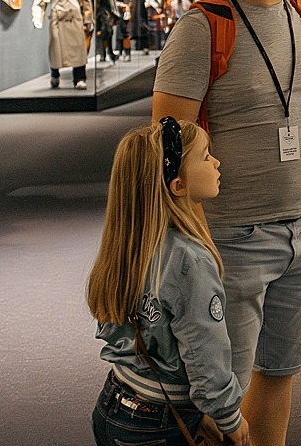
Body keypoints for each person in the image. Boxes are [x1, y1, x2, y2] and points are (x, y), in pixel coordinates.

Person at [152, 0, 301, 446]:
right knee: (216, 394)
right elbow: (167, 150)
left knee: (281, 372)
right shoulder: (202, 28)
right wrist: (192, 240)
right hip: (230, 237)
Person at [87, 118, 250, 446]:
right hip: (159, 425)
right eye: (206, 156)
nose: (216, 162)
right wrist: (229, 418)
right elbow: (206, 354)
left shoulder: (128, 245)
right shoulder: (191, 261)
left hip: (113, 402)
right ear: (177, 185)